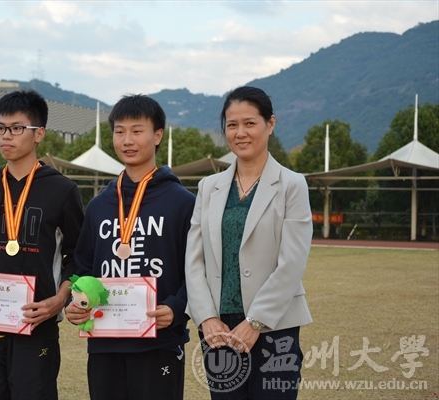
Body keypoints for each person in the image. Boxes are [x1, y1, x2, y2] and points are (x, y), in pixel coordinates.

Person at [0, 90, 84, 400]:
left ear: (39, 134)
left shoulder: (63, 189)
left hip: (35, 322)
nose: (6, 135)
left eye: (17, 128)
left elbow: (76, 255)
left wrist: (60, 299)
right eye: (1, 128)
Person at [185, 86, 313, 399]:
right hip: (218, 331)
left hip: (275, 326)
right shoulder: (208, 187)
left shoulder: (292, 185)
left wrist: (255, 322)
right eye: (232, 125)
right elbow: (194, 260)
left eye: (250, 123)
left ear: (270, 124)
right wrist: (206, 318)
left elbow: (292, 262)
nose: (240, 133)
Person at [65, 95, 195, 400]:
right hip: (104, 342)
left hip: (159, 341)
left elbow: (198, 271)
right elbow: (83, 267)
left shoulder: (183, 203)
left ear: (158, 135)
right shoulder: (99, 205)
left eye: (137, 131)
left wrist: (177, 308)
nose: (127, 140)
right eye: (119, 131)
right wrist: (76, 299)